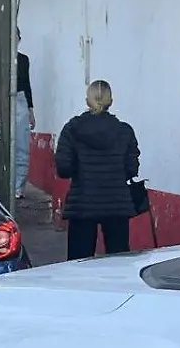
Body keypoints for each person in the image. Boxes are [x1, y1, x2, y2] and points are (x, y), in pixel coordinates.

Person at [54, 80, 141, 260]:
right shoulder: (124, 131)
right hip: (117, 202)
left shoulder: (72, 129)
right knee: (118, 261)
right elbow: (132, 169)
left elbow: (64, 169)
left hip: (82, 202)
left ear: (87, 101)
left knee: (78, 261)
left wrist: (83, 170)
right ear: (111, 101)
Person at [14, 26, 35, 198]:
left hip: (19, 99)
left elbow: (26, 85)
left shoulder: (23, 60)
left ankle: (18, 187)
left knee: (21, 145)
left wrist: (30, 110)